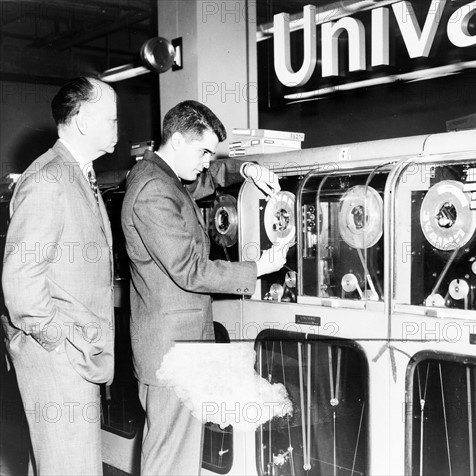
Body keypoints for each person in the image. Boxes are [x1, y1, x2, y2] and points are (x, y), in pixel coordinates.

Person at [121, 100, 287, 475]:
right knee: (169, 461)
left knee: (181, 458)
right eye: (204, 151)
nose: (207, 161)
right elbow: (190, 270)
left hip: (181, 348)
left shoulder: (162, 178)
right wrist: (258, 267)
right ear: (178, 141)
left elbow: (208, 179)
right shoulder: (153, 190)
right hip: (171, 354)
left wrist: (246, 168)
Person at [1, 77, 118, 475]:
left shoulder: (76, 174)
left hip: (72, 356)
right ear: (83, 121)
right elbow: (20, 282)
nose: (118, 127)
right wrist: (61, 345)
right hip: (60, 360)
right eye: (112, 119)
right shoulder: (48, 179)